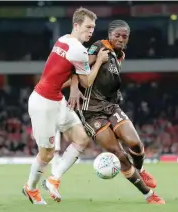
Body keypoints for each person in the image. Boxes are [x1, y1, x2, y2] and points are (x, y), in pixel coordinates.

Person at [68, 20, 165, 204]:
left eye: (124, 36)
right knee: (120, 154)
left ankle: (141, 170)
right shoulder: (99, 47)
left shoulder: (119, 55)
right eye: (117, 35)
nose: (120, 39)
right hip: (91, 112)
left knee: (135, 144)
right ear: (109, 35)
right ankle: (148, 195)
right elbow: (78, 67)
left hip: (111, 106)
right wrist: (74, 88)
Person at [23, 7, 109, 205]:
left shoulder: (63, 39)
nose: (91, 31)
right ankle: (31, 188)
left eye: (93, 28)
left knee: (81, 138)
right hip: (43, 104)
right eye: (88, 27)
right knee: (47, 153)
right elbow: (87, 81)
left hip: (57, 100)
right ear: (76, 25)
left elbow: (70, 70)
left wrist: (74, 87)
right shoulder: (78, 49)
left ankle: (54, 179)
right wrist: (99, 62)